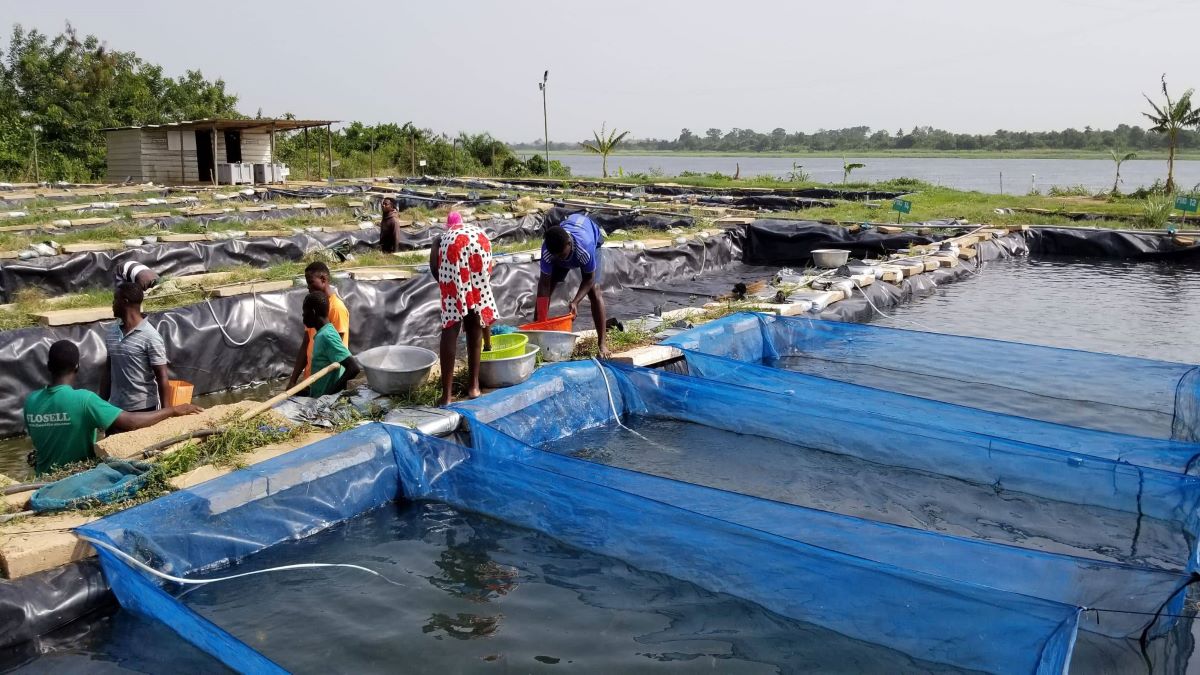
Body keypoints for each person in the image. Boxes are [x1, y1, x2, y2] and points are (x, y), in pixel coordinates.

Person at [25, 340, 201, 475]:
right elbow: (131, 422)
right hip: (75, 479)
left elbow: (45, 440)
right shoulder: (84, 400)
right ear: (77, 367)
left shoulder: (30, 401)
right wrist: (172, 410)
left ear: (48, 366)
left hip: (42, 482)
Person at [430, 211, 497, 405]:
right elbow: (486, 272)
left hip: (454, 254)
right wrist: (471, 305)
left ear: (447, 226)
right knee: (475, 318)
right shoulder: (474, 230)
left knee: (451, 326)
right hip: (481, 245)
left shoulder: (441, 239)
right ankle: (474, 387)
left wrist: (450, 290)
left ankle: (447, 396)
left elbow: (436, 269)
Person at [536, 212, 610, 358]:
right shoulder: (549, 251)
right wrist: (540, 322)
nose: (558, 259)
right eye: (555, 256)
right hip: (569, 240)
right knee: (545, 290)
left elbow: (589, 279)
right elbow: (544, 285)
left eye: (561, 255)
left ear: (569, 244)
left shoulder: (585, 247)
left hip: (590, 238)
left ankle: (602, 344)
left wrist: (575, 301)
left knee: (594, 291)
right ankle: (537, 337)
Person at [102, 282, 170, 412]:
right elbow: (107, 371)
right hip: (115, 408)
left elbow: (162, 376)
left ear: (125, 301)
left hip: (144, 407)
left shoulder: (150, 336)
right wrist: (101, 405)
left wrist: (166, 412)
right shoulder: (112, 332)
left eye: (115, 299)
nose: (112, 304)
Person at [287, 262, 350, 389]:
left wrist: (332, 388)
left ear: (323, 279)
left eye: (310, 282)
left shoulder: (336, 308)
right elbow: (306, 344)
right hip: (312, 380)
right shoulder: (314, 305)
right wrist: (293, 381)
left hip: (326, 383)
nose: (308, 287)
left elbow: (338, 351)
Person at [301, 291, 360, 397]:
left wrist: (329, 396)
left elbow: (353, 368)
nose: (303, 316)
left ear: (313, 312)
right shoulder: (324, 333)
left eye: (304, 312)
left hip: (323, 402)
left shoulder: (326, 336)